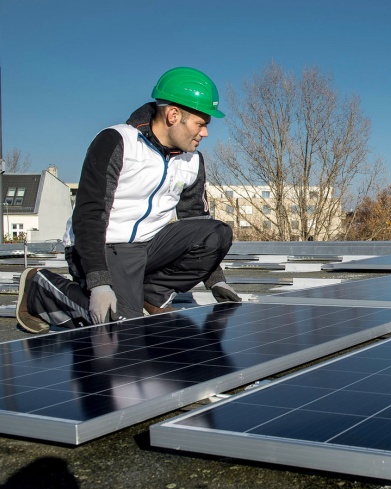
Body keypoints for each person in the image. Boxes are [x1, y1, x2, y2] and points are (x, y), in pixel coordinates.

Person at [16, 67, 240, 334]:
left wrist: (215, 279)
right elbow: (90, 214)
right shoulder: (117, 142)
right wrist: (99, 282)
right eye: (201, 124)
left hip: (150, 247)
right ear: (173, 115)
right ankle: (40, 288)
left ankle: (152, 293)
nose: (204, 133)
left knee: (217, 232)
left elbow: (195, 219)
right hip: (103, 247)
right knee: (123, 329)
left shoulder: (192, 160)